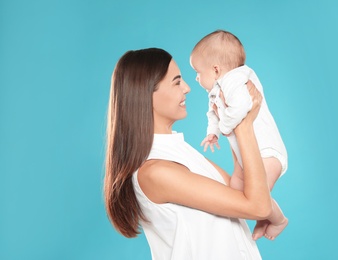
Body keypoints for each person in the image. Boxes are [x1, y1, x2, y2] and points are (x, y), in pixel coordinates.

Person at [104, 48, 275, 259]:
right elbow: (258, 206)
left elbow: (242, 191)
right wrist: (244, 125)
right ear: (146, 93)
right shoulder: (155, 171)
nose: (187, 88)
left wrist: (230, 123)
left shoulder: (180, 152)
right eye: (176, 82)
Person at [190, 30, 288, 240]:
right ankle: (262, 217)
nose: (196, 78)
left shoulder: (236, 79)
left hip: (266, 151)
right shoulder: (216, 90)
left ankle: (279, 219)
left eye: (198, 72)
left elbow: (243, 106)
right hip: (247, 153)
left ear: (216, 69)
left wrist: (224, 127)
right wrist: (213, 132)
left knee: (258, 195)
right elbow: (213, 114)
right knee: (236, 192)